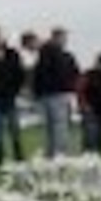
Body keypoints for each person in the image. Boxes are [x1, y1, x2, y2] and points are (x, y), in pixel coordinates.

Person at [32, 26, 80, 158]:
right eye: (63, 38)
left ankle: (50, 154)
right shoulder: (60, 55)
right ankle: (60, 154)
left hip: (47, 94)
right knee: (59, 126)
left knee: (50, 128)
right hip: (57, 94)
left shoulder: (44, 53)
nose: (65, 40)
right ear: (57, 37)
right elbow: (72, 74)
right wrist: (69, 87)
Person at [0, 28, 26, 167]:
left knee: (14, 129)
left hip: (9, 96)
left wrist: (15, 89)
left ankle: (18, 154)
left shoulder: (11, 54)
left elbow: (19, 73)